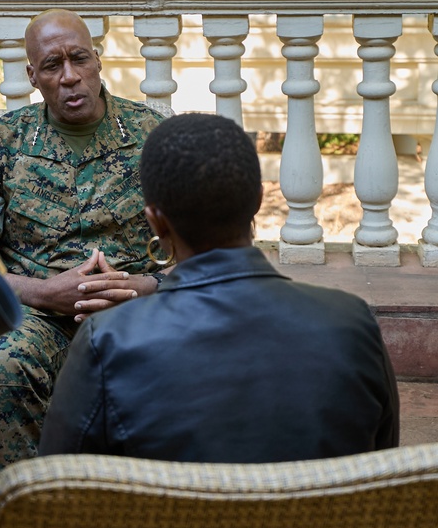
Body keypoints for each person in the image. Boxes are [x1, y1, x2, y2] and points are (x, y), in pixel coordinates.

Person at [39, 112, 399, 461]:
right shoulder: (353, 325)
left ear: (156, 222)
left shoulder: (107, 341)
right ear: (258, 200)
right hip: (319, 523)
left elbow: (55, 490)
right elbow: (381, 472)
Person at [0, 8, 168, 484]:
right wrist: (42, 292)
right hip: (36, 318)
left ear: (98, 61)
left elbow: (206, 251)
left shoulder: (154, 136)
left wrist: (140, 286)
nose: (70, 77)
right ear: (33, 76)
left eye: (79, 59)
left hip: (135, 313)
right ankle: (29, 519)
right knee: (3, 360)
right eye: (53, 65)